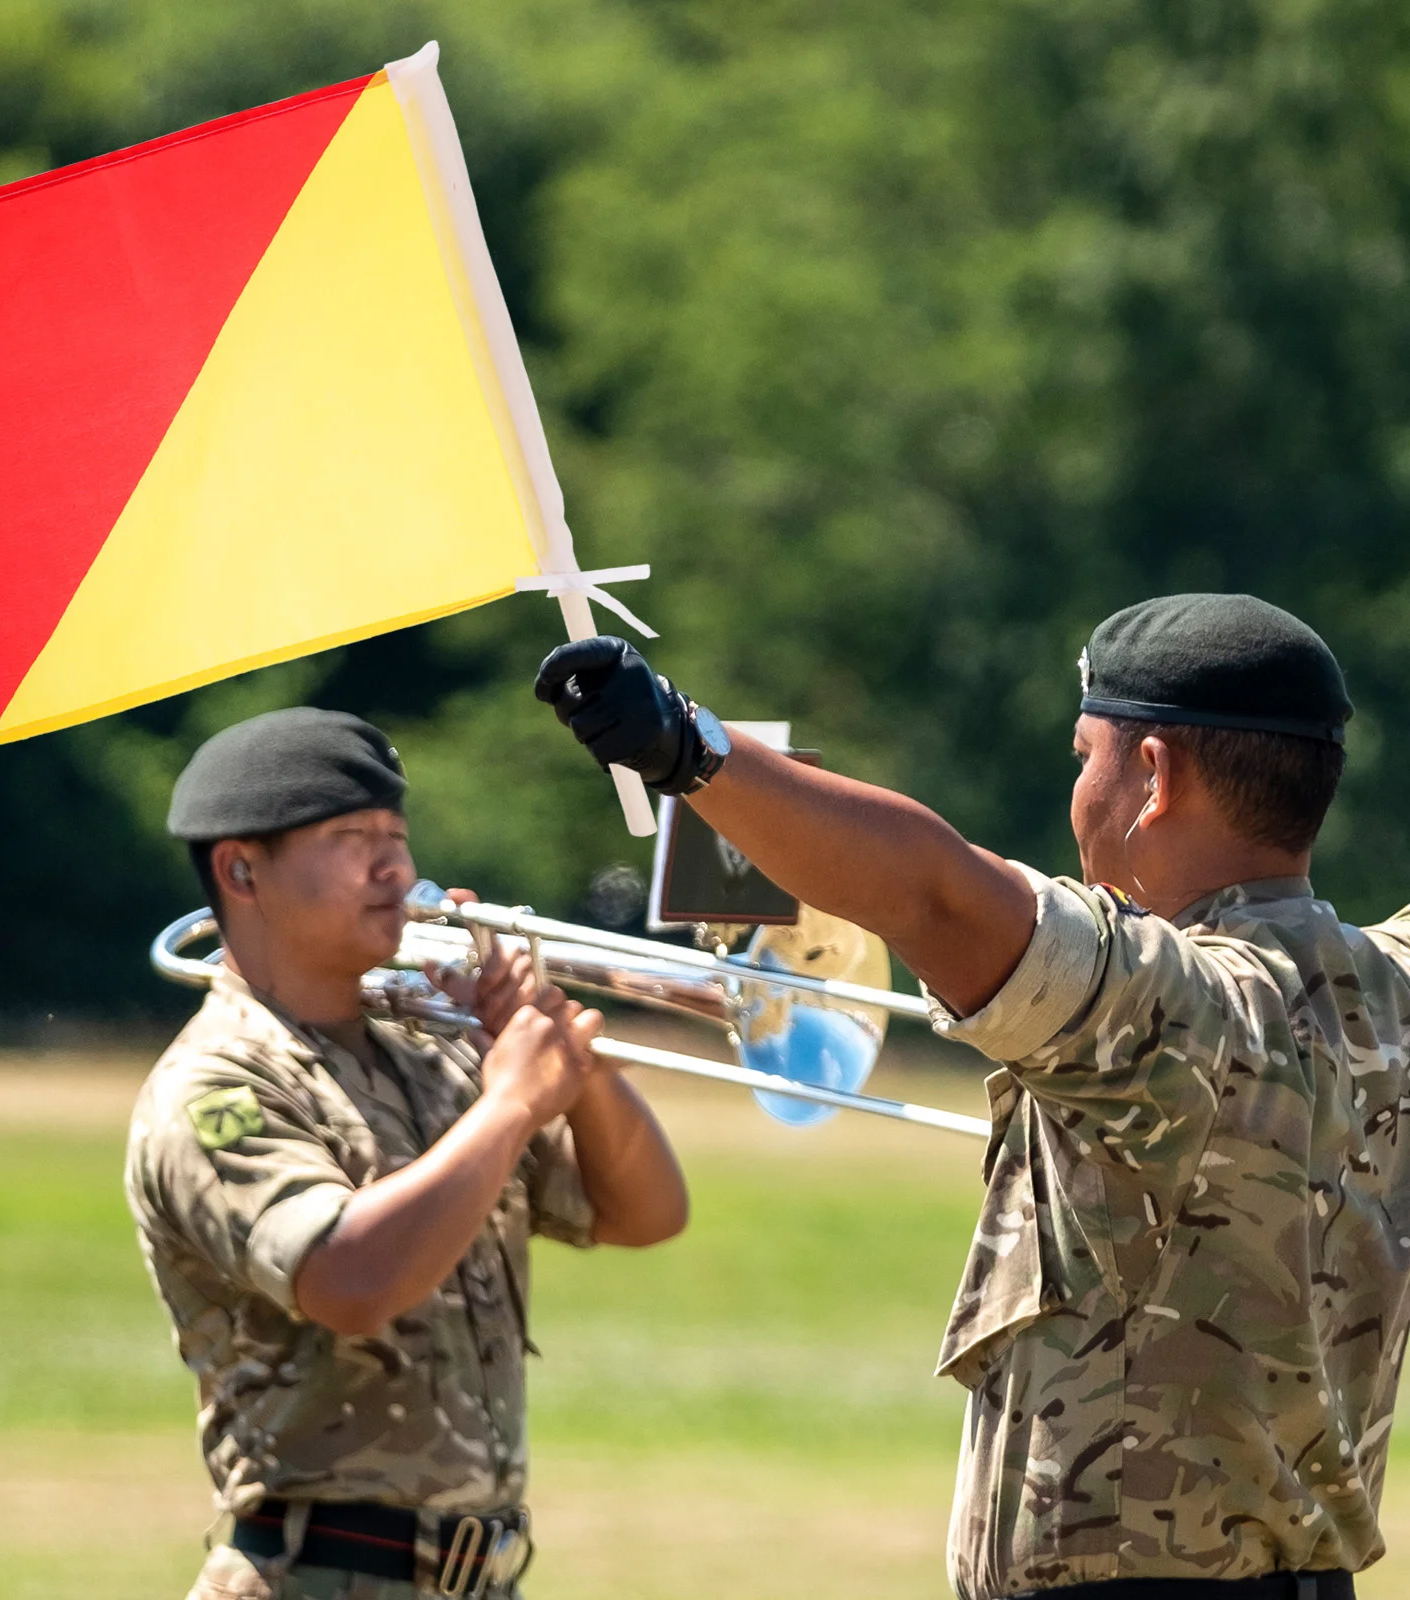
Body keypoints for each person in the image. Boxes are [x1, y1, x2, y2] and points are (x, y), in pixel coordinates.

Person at [536, 593, 1410, 1600]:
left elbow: (935, 892)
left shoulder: (1178, 994)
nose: (1077, 789)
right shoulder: (1387, 988)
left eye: (1086, 756)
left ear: (1154, 777)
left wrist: (688, 748)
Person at [126, 707, 688, 1600]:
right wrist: (510, 1103)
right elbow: (346, 1281)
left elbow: (647, 1215)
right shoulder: (214, 1089)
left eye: (397, 834)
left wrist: (568, 1064)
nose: (395, 867)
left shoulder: (429, 1054)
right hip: (310, 1574)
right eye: (352, 838)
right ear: (241, 870)